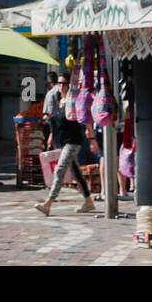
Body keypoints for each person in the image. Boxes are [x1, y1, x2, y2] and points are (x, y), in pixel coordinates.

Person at [34, 85, 93, 217]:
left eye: (64, 83)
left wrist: (91, 135)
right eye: (59, 83)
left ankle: (48, 204)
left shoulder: (74, 100)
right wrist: (51, 136)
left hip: (73, 141)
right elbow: (54, 122)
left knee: (60, 169)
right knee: (76, 172)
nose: (61, 86)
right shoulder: (57, 101)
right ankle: (89, 201)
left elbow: (85, 115)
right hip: (62, 141)